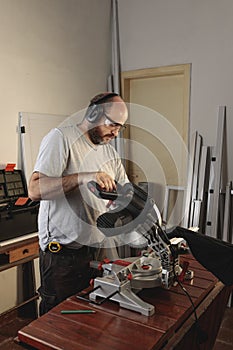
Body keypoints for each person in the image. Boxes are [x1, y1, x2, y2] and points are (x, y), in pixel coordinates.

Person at [28, 92, 129, 315]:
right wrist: (83, 177)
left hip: (96, 250)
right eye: (113, 125)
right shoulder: (61, 138)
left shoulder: (109, 150)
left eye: (121, 128)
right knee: (58, 321)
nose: (116, 133)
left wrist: (121, 202)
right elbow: (35, 190)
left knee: (90, 319)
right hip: (63, 256)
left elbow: (125, 190)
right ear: (93, 114)